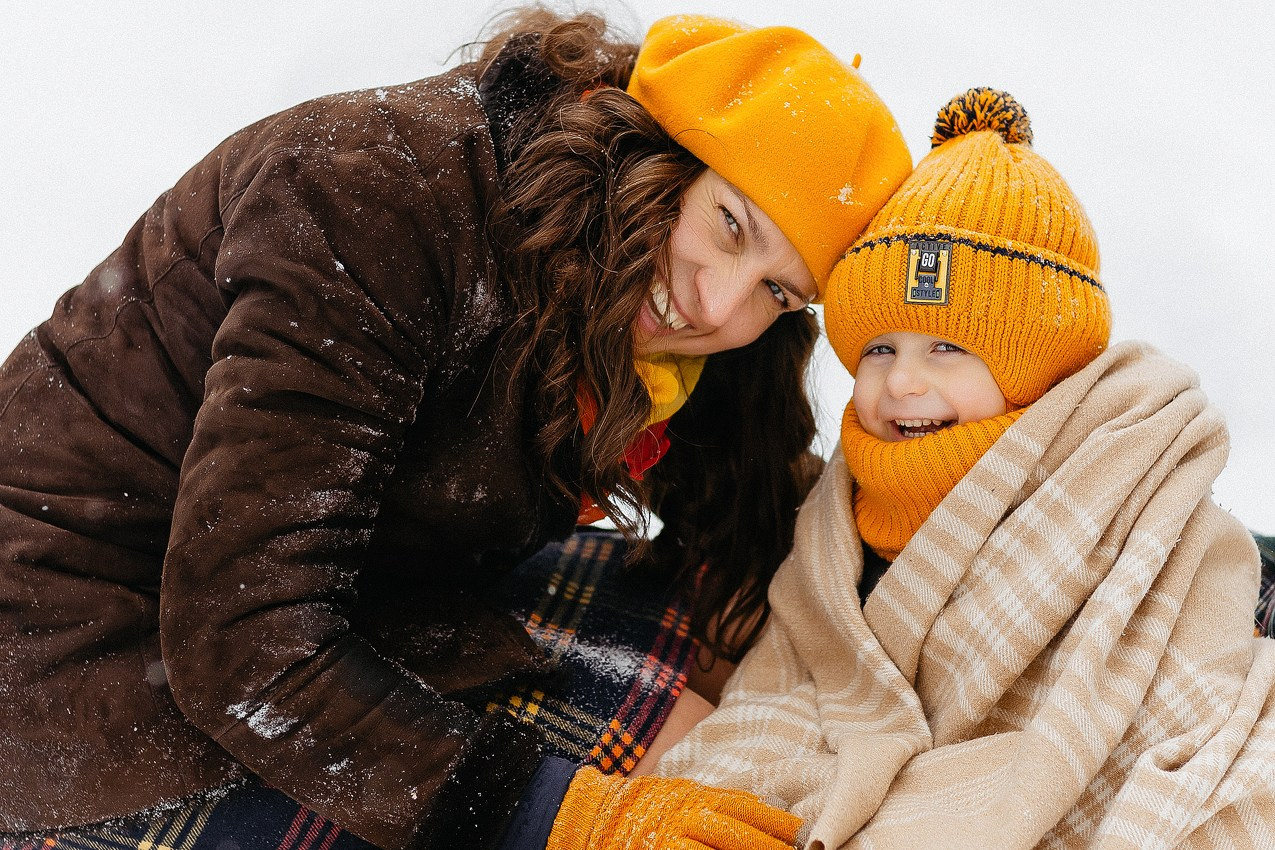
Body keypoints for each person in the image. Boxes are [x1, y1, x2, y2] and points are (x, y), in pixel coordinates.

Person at [0, 7, 912, 850]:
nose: (713, 301)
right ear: (656, 147)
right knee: (648, 772)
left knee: (730, 741)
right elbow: (244, 646)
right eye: (728, 223)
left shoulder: (633, 263)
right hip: (86, 636)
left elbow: (741, 473)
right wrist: (556, 818)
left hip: (345, 589)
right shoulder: (366, 198)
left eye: (777, 291)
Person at [654, 89, 1275, 847]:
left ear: (1030, 373)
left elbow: (1179, 629)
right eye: (879, 349)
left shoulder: (1104, 479)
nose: (901, 383)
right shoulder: (845, 511)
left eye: (946, 349)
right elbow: (807, 668)